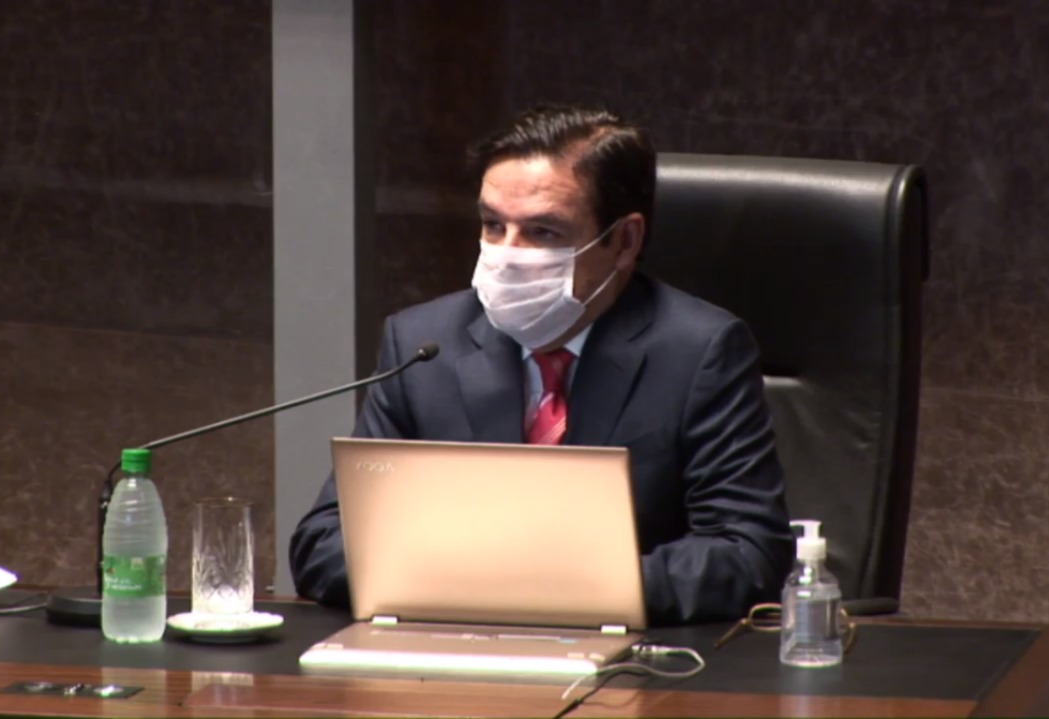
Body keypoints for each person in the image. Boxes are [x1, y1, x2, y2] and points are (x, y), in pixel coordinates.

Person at [289, 103, 793, 625]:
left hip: (627, 654)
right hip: (449, 646)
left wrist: (555, 587)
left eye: (544, 232)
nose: (507, 254)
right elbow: (323, 543)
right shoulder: (423, 345)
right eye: (492, 225)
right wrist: (485, 586)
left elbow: (748, 553)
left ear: (624, 241)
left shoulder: (699, 351)